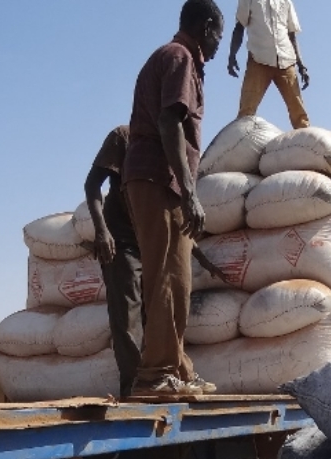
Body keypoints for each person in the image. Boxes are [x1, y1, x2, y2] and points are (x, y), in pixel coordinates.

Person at [122, 0, 224, 396]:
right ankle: (155, 375)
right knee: (166, 275)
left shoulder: (175, 57)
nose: (218, 44)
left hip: (159, 178)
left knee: (178, 278)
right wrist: (189, 190)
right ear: (207, 25)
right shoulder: (180, 57)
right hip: (158, 178)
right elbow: (169, 122)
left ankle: (177, 368)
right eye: (218, 33)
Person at [83, 125, 144, 399]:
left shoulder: (170, 142)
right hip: (121, 241)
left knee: (159, 317)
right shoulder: (125, 136)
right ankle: (133, 388)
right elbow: (92, 184)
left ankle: (155, 379)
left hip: (153, 243)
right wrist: (101, 230)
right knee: (127, 315)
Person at [227, 0, 310, 128]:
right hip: (258, 59)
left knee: (299, 113)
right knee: (246, 112)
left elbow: (291, 35)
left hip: (286, 61)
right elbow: (239, 28)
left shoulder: (286, 2)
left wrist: (301, 65)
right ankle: (241, 143)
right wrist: (232, 55)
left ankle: (306, 142)